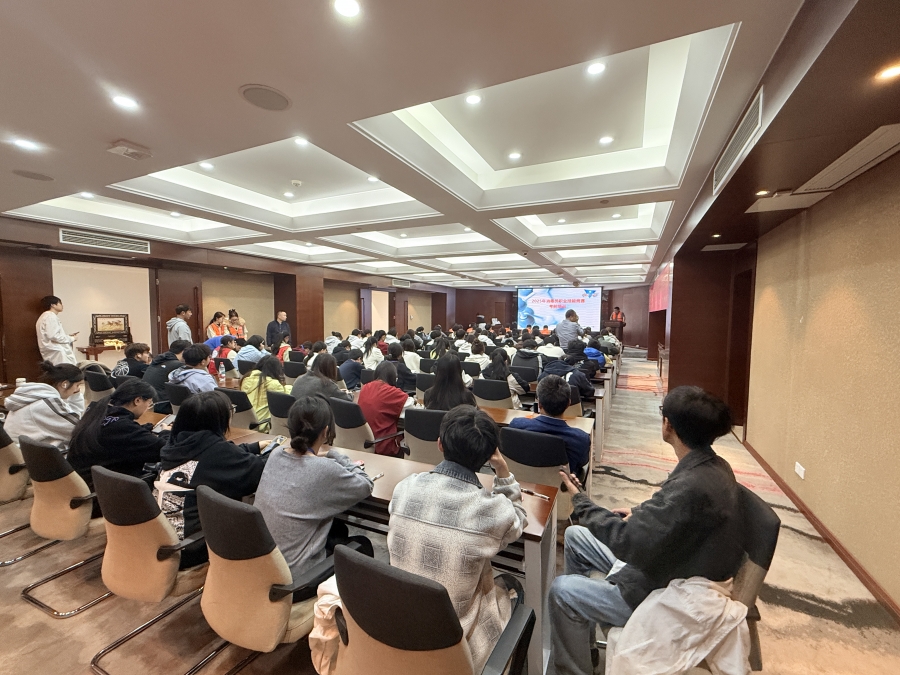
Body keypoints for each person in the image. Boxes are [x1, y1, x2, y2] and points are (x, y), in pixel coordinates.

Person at [547, 386, 744, 675]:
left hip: (659, 585)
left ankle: (572, 670)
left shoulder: (692, 485)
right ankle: (583, 642)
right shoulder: (712, 465)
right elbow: (670, 513)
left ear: (669, 425)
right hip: (668, 560)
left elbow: (628, 542)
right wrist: (638, 512)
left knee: (561, 590)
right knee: (575, 536)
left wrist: (581, 501)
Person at [388, 406, 527, 673]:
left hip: (400, 629)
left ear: (440, 444)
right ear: (489, 455)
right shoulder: (491, 510)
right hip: (454, 649)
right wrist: (503, 471)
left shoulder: (404, 487)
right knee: (512, 586)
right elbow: (518, 519)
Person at [255, 395, 374, 584]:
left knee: (338, 528)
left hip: (260, 568)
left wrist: (317, 457)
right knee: (363, 545)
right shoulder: (324, 469)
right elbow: (366, 485)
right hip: (295, 581)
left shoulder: (276, 454)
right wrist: (335, 454)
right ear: (326, 431)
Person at [158, 390, 270, 567]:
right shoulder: (218, 454)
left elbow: (215, 455)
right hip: (190, 548)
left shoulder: (177, 443)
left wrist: (252, 447)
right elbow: (258, 470)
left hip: (159, 540)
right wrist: (280, 453)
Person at [68, 380, 167, 499]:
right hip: (102, 494)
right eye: (149, 403)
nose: (148, 408)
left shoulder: (97, 411)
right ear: (137, 400)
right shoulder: (124, 427)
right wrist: (165, 432)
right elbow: (164, 450)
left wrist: (143, 429)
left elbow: (119, 435)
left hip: (80, 483)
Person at [510, 374, 590, 476]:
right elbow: (582, 462)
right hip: (560, 484)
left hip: (523, 479)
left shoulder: (516, 425)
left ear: (539, 404)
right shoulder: (580, 439)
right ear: (568, 404)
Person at [4, 361, 85, 449]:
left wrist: (75, 393)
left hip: (17, 451)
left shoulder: (35, 395)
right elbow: (77, 429)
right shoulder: (47, 403)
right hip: (27, 455)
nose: (78, 389)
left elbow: (73, 417)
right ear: (64, 384)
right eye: (77, 385)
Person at [357, 361, 414, 457]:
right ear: (393, 377)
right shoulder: (391, 392)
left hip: (365, 444)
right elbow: (412, 410)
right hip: (383, 446)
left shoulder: (365, 387)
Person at [240, 355, 292, 432]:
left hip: (245, 424)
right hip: (262, 425)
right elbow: (285, 395)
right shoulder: (272, 383)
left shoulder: (247, 379)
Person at [35, 295, 78, 365]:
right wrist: (72, 338)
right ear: (53, 305)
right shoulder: (50, 316)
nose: (62, 305)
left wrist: (67, 336)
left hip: (52, 351)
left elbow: (52, 334)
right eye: (60, 303)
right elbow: (53, 336)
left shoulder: (45, 316)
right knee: (64, 370)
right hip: (57, 352)